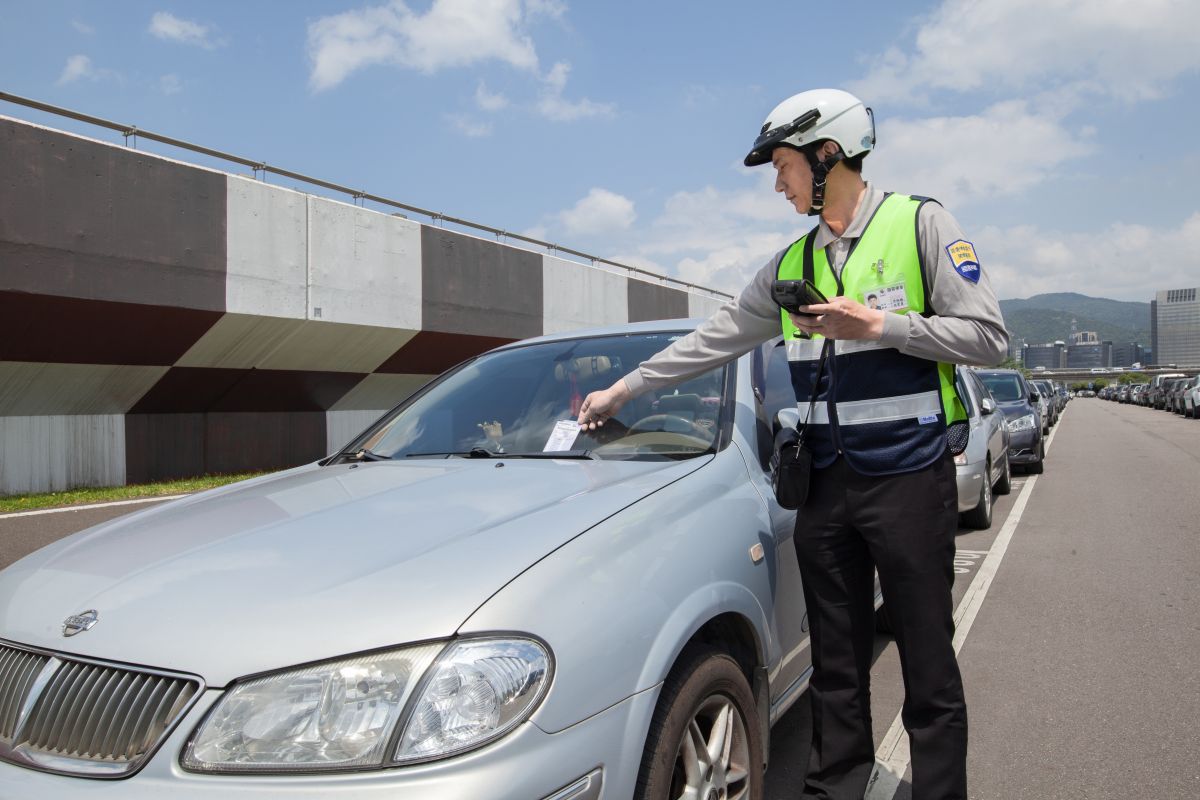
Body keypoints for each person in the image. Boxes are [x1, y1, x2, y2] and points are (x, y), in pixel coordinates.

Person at [577, 88, 1007, 800]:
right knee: (835, 668)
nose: (777, 184)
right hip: (826, 494)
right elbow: (712, 338)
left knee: (928, 668)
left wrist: (883, 327)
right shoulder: (789, 264)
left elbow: (990, 338)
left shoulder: (920, 224)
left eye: (783, 167)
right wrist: (625, 390)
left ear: (827, 155)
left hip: (908, 485)